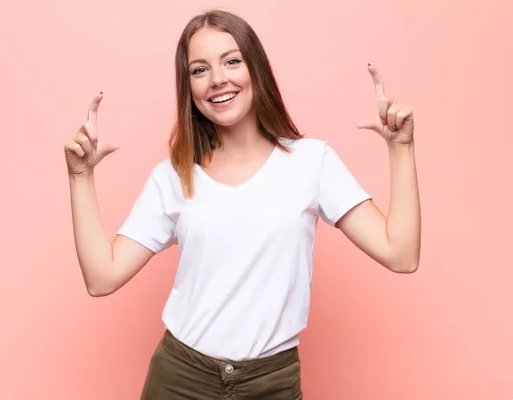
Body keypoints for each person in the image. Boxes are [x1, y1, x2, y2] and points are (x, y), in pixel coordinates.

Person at [64, 9, 421, 400]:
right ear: (189, 88)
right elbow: (102, 278)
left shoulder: (311, 162)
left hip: (272, 383)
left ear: (256, 69)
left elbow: (400, 255)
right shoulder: (173, 175)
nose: (218, 79)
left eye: (232, 61)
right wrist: (80, 177)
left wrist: (401, 149)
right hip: (181, 378)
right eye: (199, 70)